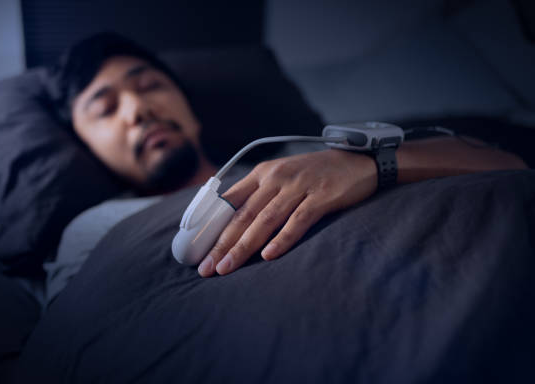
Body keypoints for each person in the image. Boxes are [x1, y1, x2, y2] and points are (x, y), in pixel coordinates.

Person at [49, 32, 527, 286]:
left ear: (189, 109)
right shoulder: (96, 229)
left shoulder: (302, 153)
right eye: (105, 108)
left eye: (150, 85)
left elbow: (508, 166)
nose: (138, 109)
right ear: (87, 146)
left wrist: (361, 166)